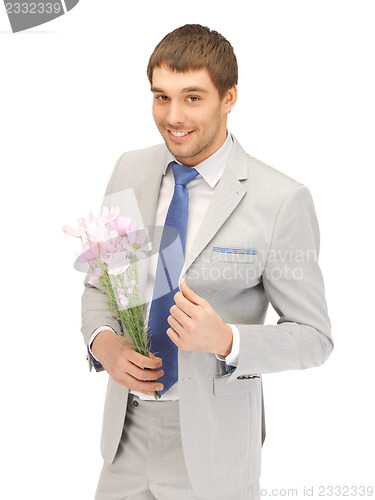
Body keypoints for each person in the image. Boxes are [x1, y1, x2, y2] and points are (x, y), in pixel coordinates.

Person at [81, 24, 333, 500]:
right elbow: (101, 286)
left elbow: (315, 338)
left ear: (229, 97)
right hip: (124, 440)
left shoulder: (280, 200)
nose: (173, 116)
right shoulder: (128, 169)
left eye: (192, 98)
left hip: (215, 454)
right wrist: (104, 344)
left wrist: (228, 341)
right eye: (161, 97)